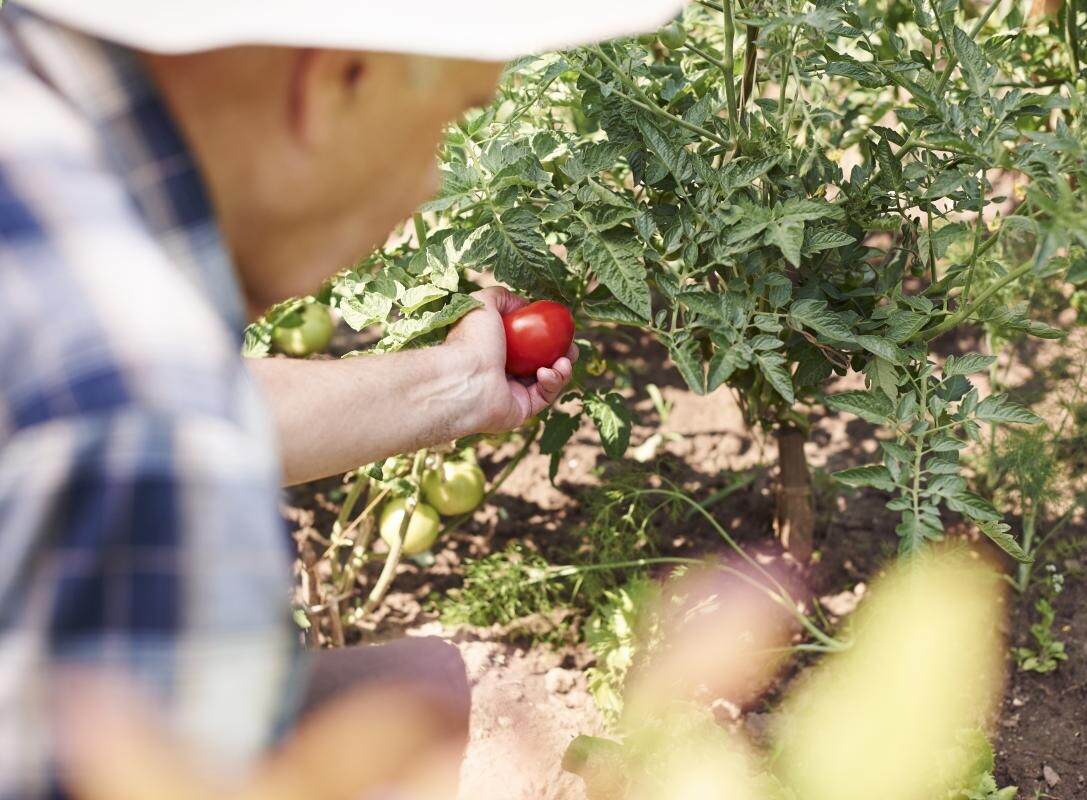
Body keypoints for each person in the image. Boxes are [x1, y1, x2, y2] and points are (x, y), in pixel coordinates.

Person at [0, 0, 683, 796]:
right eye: (448, 122)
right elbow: (151, 419)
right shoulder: (143, 411)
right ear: (339, 79)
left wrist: (456, 386)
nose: (431, 180)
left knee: (415, 685)